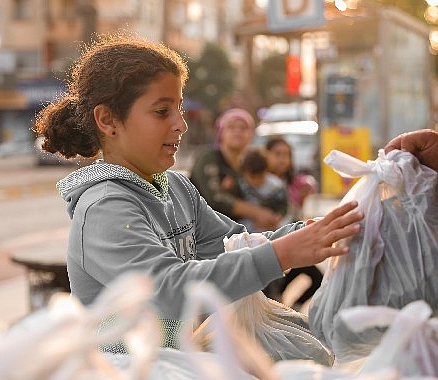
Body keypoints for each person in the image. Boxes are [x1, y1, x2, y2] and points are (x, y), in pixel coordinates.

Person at [34, 33, 363, 352]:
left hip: (180, 363)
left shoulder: (175, 187)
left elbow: (233, 245)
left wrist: (318, 230)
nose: (181, 124)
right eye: (162, 111)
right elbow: (168, 289)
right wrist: (281, 256)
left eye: (179, 108)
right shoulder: (104, 208)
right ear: (108, 121)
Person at [189, 108, 283, 230]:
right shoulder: (208, 158)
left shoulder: (249, 164)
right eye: (231, 127)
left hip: (239, 233)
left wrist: (271, 217)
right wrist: (257, 213)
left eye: (243, 128)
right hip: (203, 233)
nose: (237, 132)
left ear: (251, 134)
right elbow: (215, 199)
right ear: (221, 132)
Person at [265, 136, 323, 308]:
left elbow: (293, 215)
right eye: (277, 154)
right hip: (271, 245)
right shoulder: (260, 183)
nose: (282, 159)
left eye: (286, 155)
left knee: (317, 278)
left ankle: (292, 307)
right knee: (273, 290)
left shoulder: (292, 184)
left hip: (291, 242)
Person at [237, 147, 289, 233]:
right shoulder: (240, 184)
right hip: (247, 226)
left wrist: (277, 217)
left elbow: (283, 206)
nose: (256, 181)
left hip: (271, 226)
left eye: (260, 177)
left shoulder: (275, 186)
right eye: (252, 177)